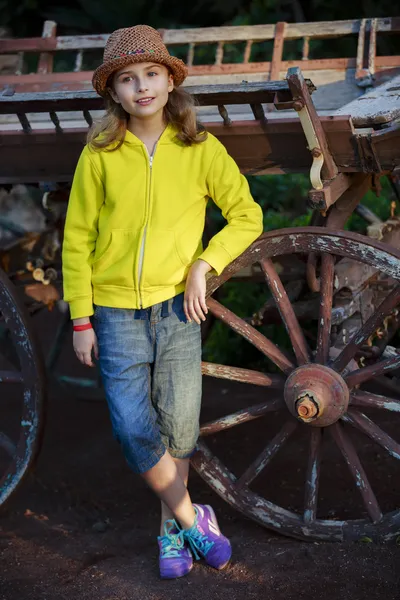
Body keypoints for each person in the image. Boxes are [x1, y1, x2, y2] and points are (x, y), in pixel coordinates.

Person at [62, 24, 263, 579]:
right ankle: (193, 519)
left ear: (170, 81)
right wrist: (81, 316)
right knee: (132, 428)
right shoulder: (100, 154)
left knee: (178, 431)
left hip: (178, 309)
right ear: (114, 93)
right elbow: (77, 239)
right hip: (116, 311)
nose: (142, 88)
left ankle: (168, 536)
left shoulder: (200, 149)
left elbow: (247, 214)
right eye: (128, 80)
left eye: (151, 74)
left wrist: (205, 263)